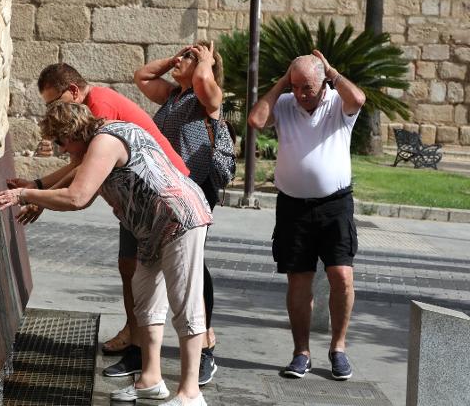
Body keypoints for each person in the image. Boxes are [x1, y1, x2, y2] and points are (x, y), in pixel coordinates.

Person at [0, 102, 212, 406]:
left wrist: (25, 194)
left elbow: (77, 197)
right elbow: (81, 186)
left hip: (178, 219)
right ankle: (150, 379)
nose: (60, 149)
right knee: (146, 301)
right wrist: (40, 198)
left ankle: (190, 393)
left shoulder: (106, 141)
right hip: (150, 229)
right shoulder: (98, 144)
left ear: (71, 132)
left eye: (60, 141)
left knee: (184, 302)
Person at [8, 63, 190, 370]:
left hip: (162, 195)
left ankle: (187, 348)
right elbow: (78, 161)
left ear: (74, 92)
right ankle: (139, 345)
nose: (53, 109)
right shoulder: (84, 114)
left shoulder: (100, 106)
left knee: (178, 277)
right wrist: (40, 187)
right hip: (139, 200)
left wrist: (38, 198)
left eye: (55, 102)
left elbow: (84, 180)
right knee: (130, 267)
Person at [247, 51, 366, 380]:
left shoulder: (337, 104)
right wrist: (283, 83)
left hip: (334, 205)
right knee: (298, 280)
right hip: (293, 207)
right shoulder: (284, 102)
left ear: (325, 82)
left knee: (341, 276)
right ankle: (301, 352)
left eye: (308, 87)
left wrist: (333, 73)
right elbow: (256, 120)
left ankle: (338, 348)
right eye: (296, 86)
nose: (301, 94)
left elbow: (359, 97)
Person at [134, 40, 229, 385]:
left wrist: (204, 61)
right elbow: (142, 76)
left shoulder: (208, 97)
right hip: (166, 190)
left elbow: (206, 85)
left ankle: (205, 346)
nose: (181, 61)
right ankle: (166, 345)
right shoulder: (174, 95)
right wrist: (177, 60)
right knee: (170, 260)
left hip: (197, 188)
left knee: (194, 264)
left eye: (189, 57)